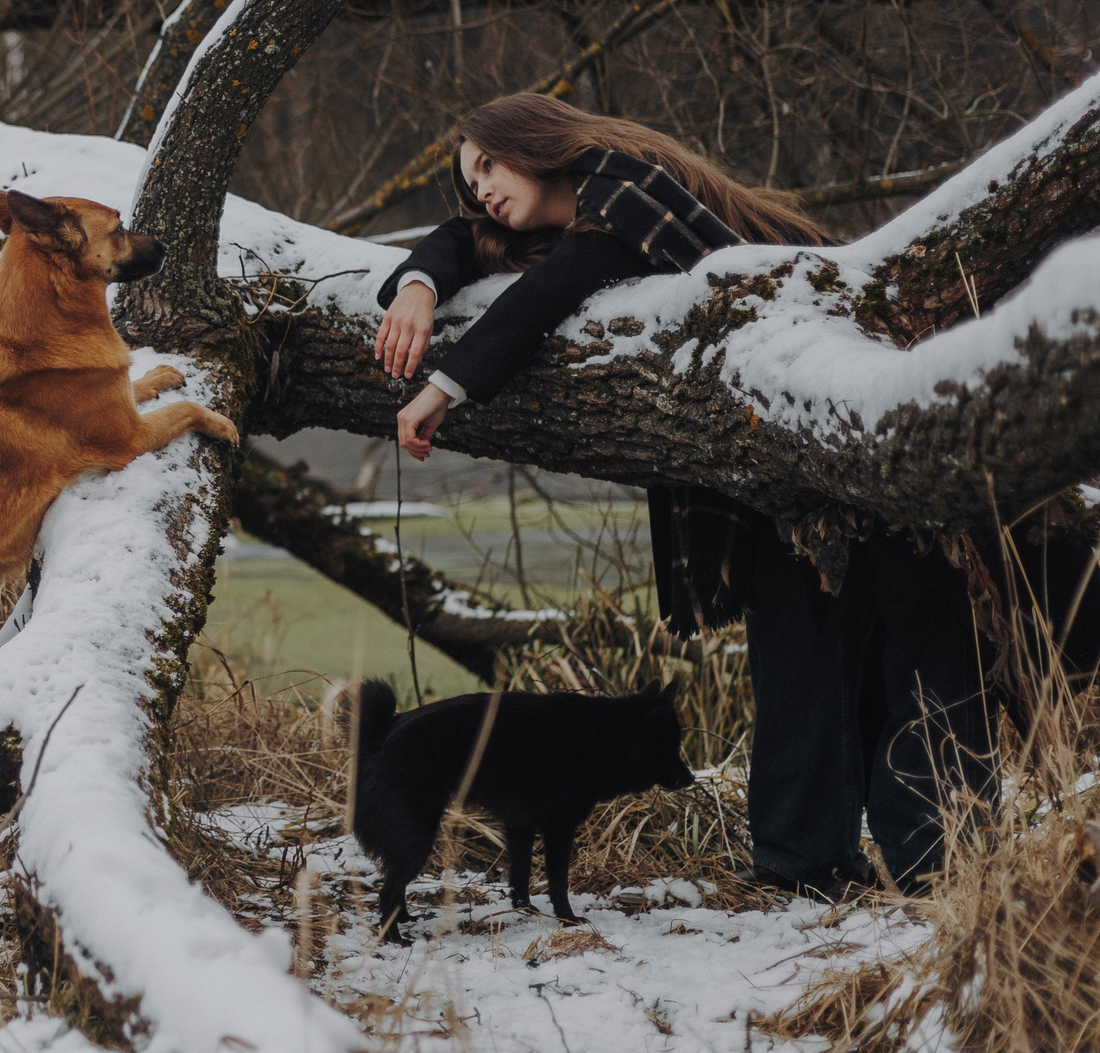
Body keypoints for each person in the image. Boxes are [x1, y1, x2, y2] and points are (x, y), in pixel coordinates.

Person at [370, 93, 994, 894]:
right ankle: (805, 866)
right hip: (774, 463)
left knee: (921, 643)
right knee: (799, 653)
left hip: (869, 424)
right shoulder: (573, 226)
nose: (480, 188)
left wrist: (446, 387)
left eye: (489, 164)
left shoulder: (627, 184)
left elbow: (560, 286)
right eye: (470, 180)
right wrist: (419, 285)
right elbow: (462, 240)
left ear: (535, 141)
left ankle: (941, 872)